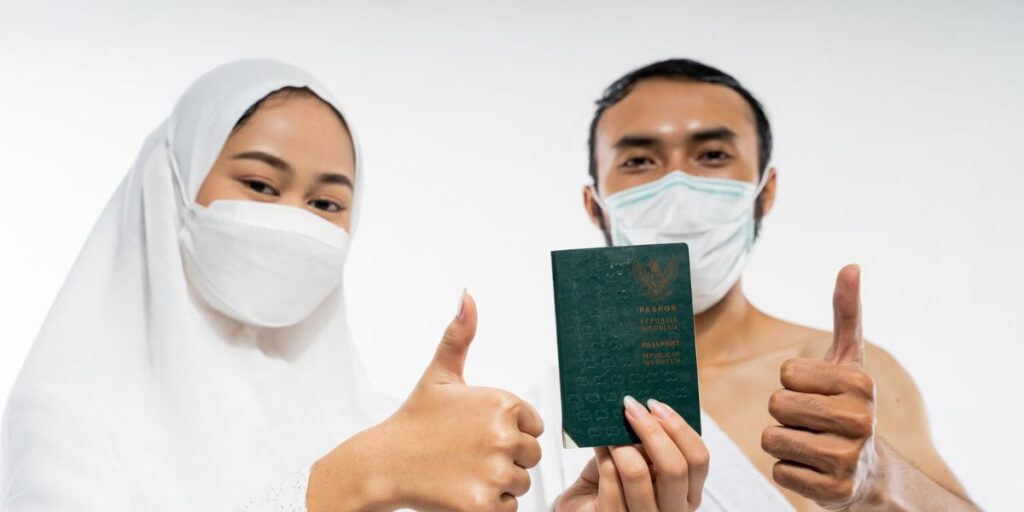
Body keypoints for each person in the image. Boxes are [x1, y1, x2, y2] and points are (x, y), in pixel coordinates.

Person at [0, 60, 543, 511]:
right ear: (171, 185)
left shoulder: (385, 425)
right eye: (260, 185)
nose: (293, 221)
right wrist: (359, 478)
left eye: (325, 203)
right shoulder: (71, 418)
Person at [530, 59, 977, 511]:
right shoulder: (544, 409)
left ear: (766, 191)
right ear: (595, 205)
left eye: (713, 155)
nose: (678, 187)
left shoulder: (836, 383)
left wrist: (880, 481)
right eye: (639, 161)